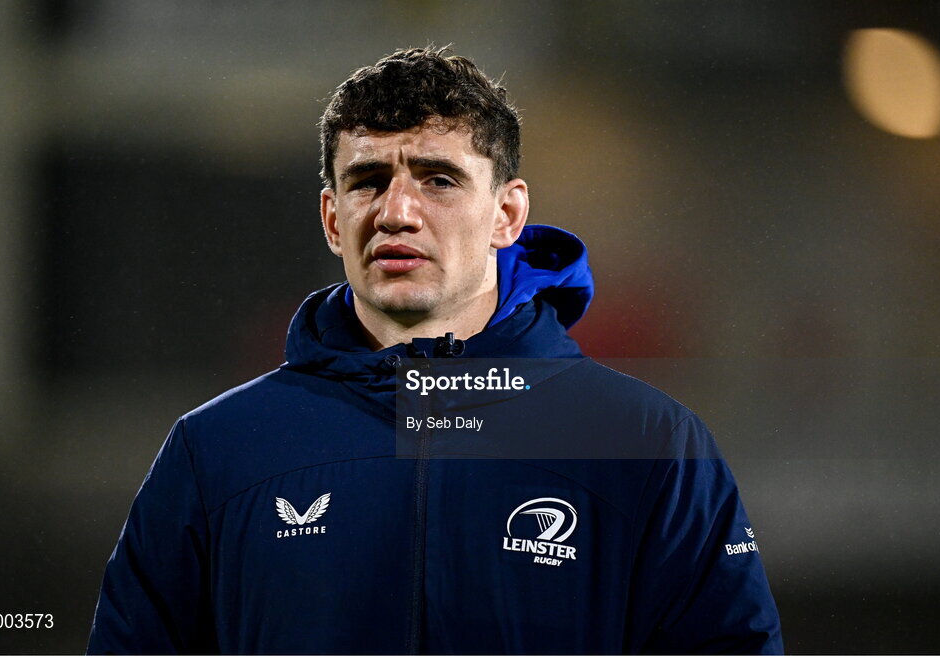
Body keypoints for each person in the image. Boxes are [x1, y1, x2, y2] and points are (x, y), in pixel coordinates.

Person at [87, 46, 782, 654]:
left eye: (438, 179)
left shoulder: (648, 445)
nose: (397, 212)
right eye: (367, 181)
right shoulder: (216, 453)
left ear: (506, 215)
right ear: (333, 218)